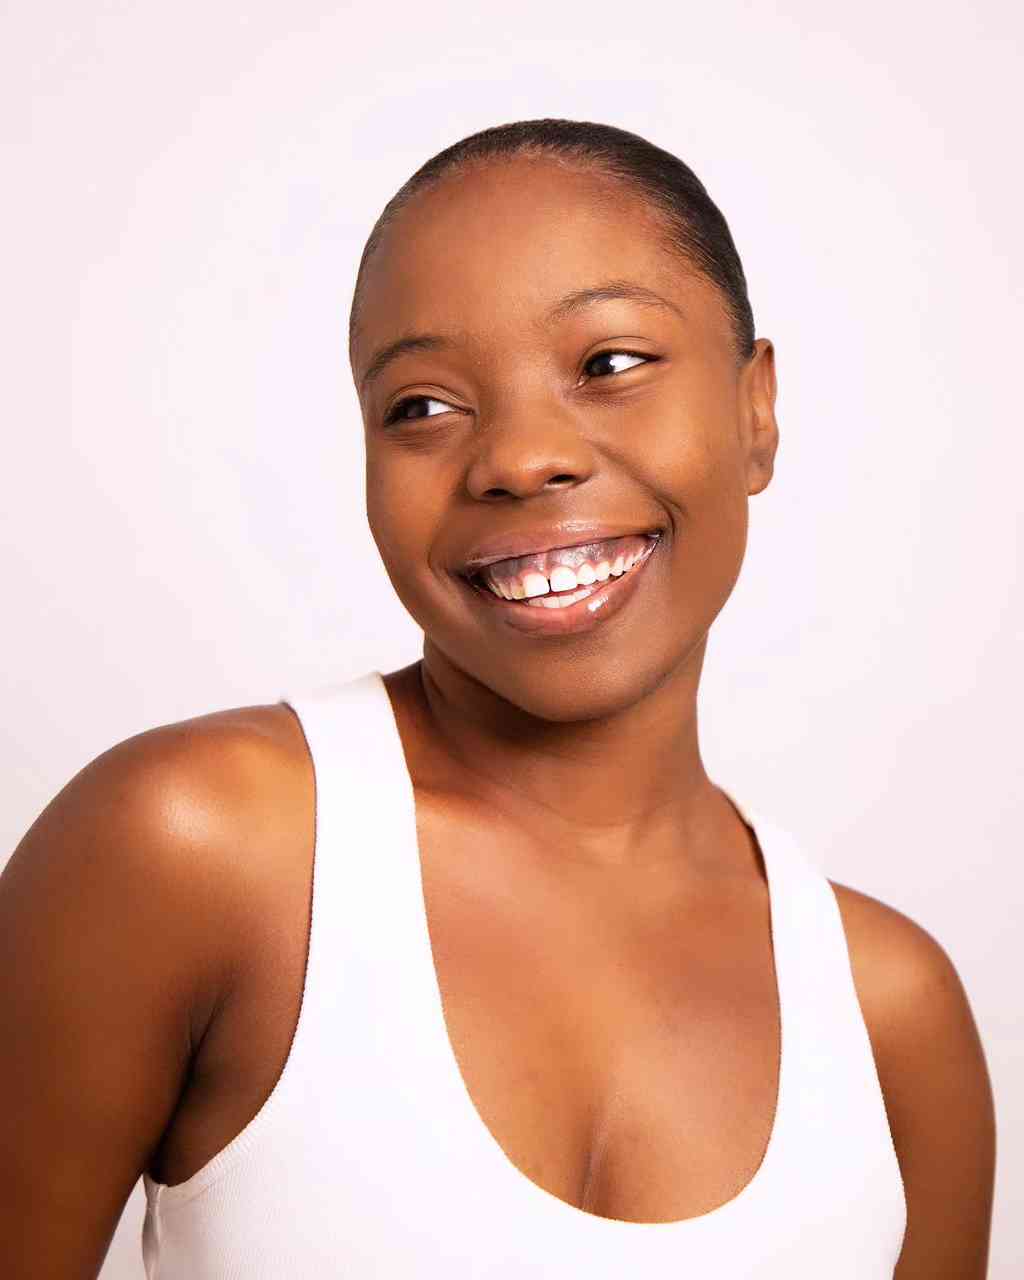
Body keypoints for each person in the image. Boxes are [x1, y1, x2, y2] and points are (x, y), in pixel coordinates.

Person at [0, 118, 995, 1279]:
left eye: (609, 364)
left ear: (754, 409)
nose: (519, 458)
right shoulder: (197, 848)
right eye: (421, 405)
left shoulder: (891, 1015)